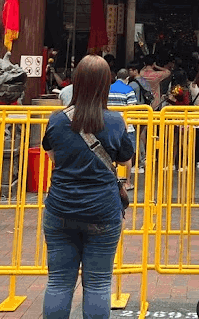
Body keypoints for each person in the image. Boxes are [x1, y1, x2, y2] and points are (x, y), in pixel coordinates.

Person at [41, 54, 135, 319]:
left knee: (59, 281)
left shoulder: (57, 120)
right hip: (102, 209)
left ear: (77, 82)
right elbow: (125, 159)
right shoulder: (115, 121)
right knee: (98, 283)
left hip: (60, 207)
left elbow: (54, 158)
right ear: (106, 84)